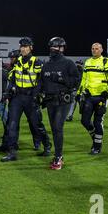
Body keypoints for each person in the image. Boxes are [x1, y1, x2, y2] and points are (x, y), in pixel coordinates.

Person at [1, 37, 51, 162]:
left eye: (25, 46)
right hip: (17, 97)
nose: (23, 49)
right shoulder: (17, 62)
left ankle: (47, 146)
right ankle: (12, 152)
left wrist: (36, 95)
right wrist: (7, 92)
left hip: (30, 98)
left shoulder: (37, 62)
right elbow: (12, 79)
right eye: (21, 46)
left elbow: (41, 80)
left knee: (36, 124)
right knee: (12, 124)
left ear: (31, 48)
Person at [36, 37, 80, 170]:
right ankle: (58, 154)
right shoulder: (47, 64)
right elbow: (41, 82)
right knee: (54, 129)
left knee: (57, 127)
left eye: (55, 47)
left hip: (63, 100)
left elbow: (76, 81)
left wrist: (62, 79)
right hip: (50, 101)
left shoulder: (68, 63)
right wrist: (37, 94)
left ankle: (58, 156)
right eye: (51, 47)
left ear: (62, 48)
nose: (52, 50)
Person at [76, 43, 108, 155]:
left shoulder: (106, 62)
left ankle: (97, 146)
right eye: (92, 48)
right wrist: (79, 92)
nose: (94, 50)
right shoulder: (87, 62)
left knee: (98, 123)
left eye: (97, 49)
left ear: (101, 50)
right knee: (84, 121)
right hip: (88, 96)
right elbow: (84, 79)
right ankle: (95, 138)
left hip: (101, 98)